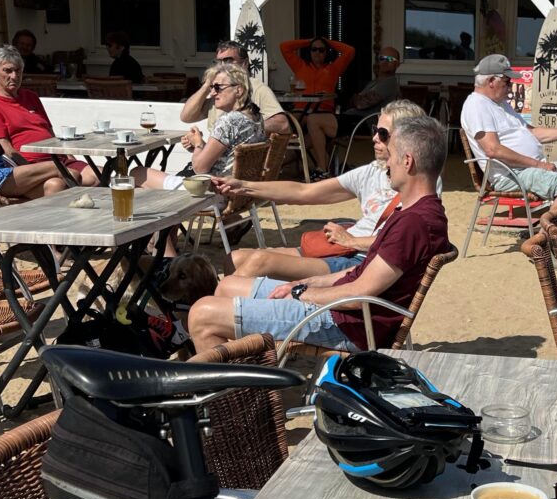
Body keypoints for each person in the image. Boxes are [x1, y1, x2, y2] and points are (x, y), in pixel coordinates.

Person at [188, 114, 450, 358]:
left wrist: (301, 293)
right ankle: (250, 378)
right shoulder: (416, 212)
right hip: (343, 310)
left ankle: (239, 404)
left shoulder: (414, 222)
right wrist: (304, 284)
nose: (387, 163)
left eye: (391, 155)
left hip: (345, 324)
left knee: (202, 314)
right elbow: (359, 276)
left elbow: (359, 294)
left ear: (408, 161)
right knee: (227, 286)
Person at [210, 99, 425, 285]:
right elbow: (304, 192)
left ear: (406, 138)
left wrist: (351, 241)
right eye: (374, 130)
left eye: (383, 133)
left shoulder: (418, 181)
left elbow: (404, 241)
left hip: (359, 262)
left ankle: (226, 319)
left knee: (259, 262)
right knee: (234, 259)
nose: (374, 138)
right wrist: (244, 186)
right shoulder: (374, 171)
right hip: (339, 249)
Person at [460, 53, 557, 223]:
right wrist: (539, 165)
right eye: (507, 82)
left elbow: (532, 133)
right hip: (511, 173)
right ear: (491, 81)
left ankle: (551, 235)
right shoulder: (477, 105)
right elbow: (493, 150)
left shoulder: (500, 104)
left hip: (527, 169)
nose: (511, 86)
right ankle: (549, 237)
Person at [0, 46, 99, 186]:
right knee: (69, 179)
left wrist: (69, 156)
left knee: (99, 175)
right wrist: (29, 169)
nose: (14, 76)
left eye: (18, 71)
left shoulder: (31, 97)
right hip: (32, 166)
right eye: (7, 71)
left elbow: (50, 134)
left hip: (59, 160)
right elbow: (5, 147)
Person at [132, 61, 263, 191]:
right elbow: (228, 157)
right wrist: (197, 147)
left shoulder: (228, 121)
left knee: (138, 173)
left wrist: (199, 144)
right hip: (240, 191)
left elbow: (200, 169)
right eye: (211, 87)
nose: (212, 93)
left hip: (212, 191)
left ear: (238, 90)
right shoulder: (256, 118)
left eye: (218, 87)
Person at [279, 34, 356, 177]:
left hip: (323, 112)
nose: (317, 53)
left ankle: (322, 168)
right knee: (286, 129)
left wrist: (327, 42)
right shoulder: (300, 66)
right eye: (314, 49)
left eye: (321, 50)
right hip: (300, 110)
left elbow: (349, 51)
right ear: (310, 51)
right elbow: (284, 47)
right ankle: (275, 164)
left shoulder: (333, 69)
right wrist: (309, 41)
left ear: (326, 52)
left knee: (305, 136)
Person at [179, 40, 287, 137]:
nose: (222, 66)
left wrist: (244, 126)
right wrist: (207, 85)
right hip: (217, 153)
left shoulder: (256, 88)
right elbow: (187, 117)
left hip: (239, 154)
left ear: (244, 63)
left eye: (228, 61)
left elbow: (283, 124)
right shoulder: (217, 90)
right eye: (218, 62)